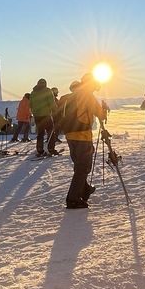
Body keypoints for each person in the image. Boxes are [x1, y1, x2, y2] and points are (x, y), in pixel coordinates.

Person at [59, 73, 106, 208]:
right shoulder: (87, 95)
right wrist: (103, 111)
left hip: (70, 134)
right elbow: (99, 113)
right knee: (83, 167)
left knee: (79, 165)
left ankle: (85, 189)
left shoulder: (72, 95)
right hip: (82, 135)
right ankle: (72, 199)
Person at [30, 78, 58, 156]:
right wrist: (55, 111)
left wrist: (34, 112)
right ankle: (51, 149)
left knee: (40, 133)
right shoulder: (47, 91)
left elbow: (30, 105)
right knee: (51, 132)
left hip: (37, 116)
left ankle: (40, 150)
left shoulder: (33, 93)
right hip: (46, 115)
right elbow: (52, 103)